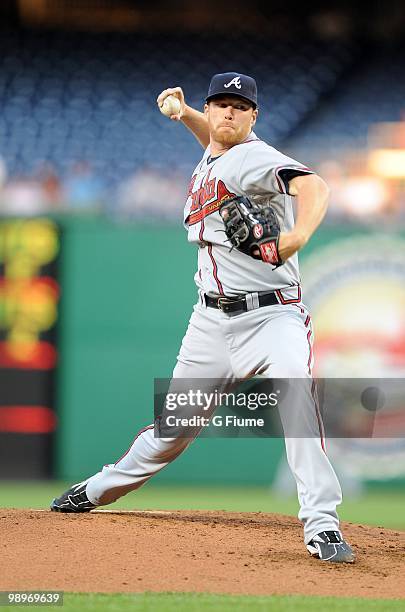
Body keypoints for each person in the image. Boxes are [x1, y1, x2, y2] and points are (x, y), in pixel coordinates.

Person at [51, 72, 355, 564]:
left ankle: (322, 526)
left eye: (240, 105)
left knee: (297, 404)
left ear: (254, 116)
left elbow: (313, 186)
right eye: (221, 103)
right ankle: (99, 489)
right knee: (172, 432)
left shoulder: (256, 156)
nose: (229, 112)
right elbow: (216, 145)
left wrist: (294, 239)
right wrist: (187, 114)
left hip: (272, 317)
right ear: (212, 109)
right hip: (211, 324)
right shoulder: (215, 152)